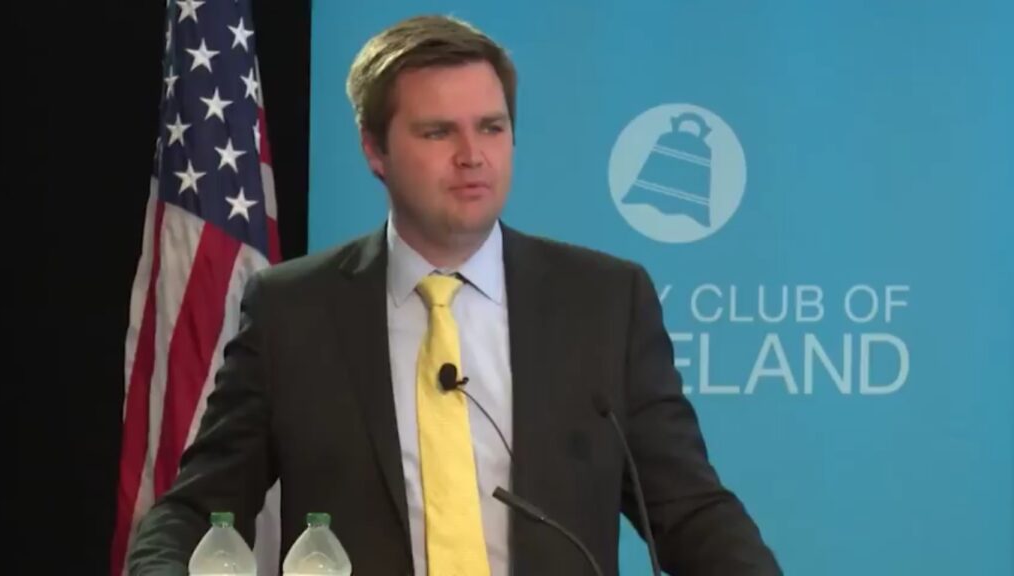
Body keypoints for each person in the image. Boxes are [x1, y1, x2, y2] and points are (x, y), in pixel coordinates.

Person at [127, 14, 782, 576]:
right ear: (375, 150)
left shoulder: (605, 302)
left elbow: (688, 511)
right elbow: (195, 509)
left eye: (491, 127)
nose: (473, 155)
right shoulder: (292, 312)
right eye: (439, 132)